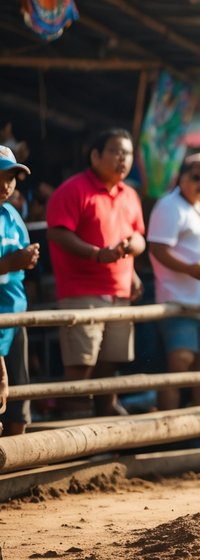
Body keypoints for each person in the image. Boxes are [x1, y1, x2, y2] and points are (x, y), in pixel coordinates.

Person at [46, 128, 146, 417]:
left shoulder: (130, 195)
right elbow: (57, 233)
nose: (122, 159)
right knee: (80, 365)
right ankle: (73, 436)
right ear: (95, 155)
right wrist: (96, 254)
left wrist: (132, 262)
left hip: (119, 292)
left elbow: (139, 236)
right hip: (82, 291)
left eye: (127, 153)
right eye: (115, 151)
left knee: (109, 364)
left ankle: (104, 435)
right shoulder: (73, 189)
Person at [146, 152, 200, 411]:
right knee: (180, 363)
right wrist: (188, 268)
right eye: (196, 176)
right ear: (182, 178)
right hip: (177, 301)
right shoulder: (169, 205)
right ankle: (170, 432)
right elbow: (156, 248)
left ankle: (194, 432)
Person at [0, 146, 39, 435]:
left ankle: (15, 470)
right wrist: (12, 262)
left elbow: (22, 263)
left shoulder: (12, 215)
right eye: (0, 176)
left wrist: (27, 260)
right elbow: (13, 261)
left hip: (14, 313)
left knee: (18, 389)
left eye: (11, 177)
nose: (5, 185)